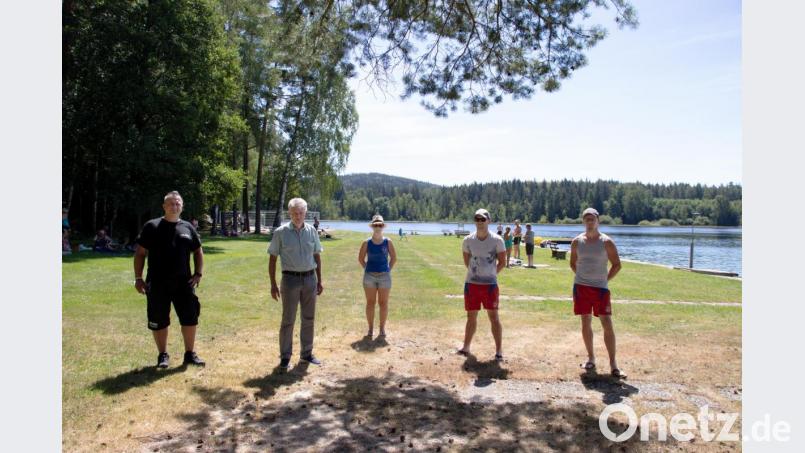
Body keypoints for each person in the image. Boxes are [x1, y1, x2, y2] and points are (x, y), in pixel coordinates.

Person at [134, 191, 205, 368]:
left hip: (183, 283)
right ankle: (162, 355)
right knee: (159, 320)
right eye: (171, 203)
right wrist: (138, 278)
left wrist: (198, 273)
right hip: (157, 283)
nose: (174, 206)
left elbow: (198, 251)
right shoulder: (152, 226)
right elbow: (140, 253)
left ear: (182, 206)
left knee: (190, 318)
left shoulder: (188, 228)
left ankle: (189, 354)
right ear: (164, 206)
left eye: (177, 203)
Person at [268, 198, 324, 370]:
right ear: (289, 213)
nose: (298, 216)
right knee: (288, 320)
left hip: (309, 279)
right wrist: (273, 284)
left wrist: (320, 280)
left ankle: (306, 353)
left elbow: (317, 256)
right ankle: (285, 356)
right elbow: (272, 259)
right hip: (290, 280)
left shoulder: (312, 232)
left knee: (309, 318)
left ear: (305, 213)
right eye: (294, 213)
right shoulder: (280, 232)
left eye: (301, 213)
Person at [570, 207, 626, 379]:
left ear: (597, 221)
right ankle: (591, 358)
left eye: (592, 218)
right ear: (583, 221)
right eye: (586, 219)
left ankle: (613, 364)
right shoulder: (577, 242)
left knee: (607, 323)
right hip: (581, 288)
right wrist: (582, 278)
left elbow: (617, 264)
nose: (589, 221)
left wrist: (604, 280)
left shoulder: (606, 242)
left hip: (601, 289)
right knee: (585, 321)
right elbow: (573, 263)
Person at [457, 208, 506, 360]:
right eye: (477, 219)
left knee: (494, 318)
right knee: (471, 318)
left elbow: (503, 262)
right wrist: (476, 274)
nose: (480, 222)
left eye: (483, 219)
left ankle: (498, 352)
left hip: (490, 286)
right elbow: (466, 261)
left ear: (488, 221)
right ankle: (466, 348)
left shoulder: (497, 240)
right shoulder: (468, 240)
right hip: (471, 284)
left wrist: (490, 274)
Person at [358, 214, 397, 338]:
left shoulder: (388, 242)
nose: (378, 227)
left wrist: (387, 270)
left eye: (380, 225)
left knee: (383, 303)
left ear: (383, 227)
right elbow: (360, 259)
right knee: (370, 303)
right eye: (375, 225)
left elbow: (394, 258)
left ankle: (382, 329)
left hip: (385, 278)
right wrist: (368, 269)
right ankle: (370, 329)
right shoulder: (366, 242)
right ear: (372, 227)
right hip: (369, 278)